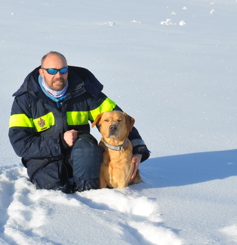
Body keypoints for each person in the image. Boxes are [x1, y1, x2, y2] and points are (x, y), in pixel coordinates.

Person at [8, 51, 150, 193]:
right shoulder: (25, 100)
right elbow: (20, 144)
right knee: (53, 188)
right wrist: (59, 142)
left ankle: (88, 196)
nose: (58, 75)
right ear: (41, 72)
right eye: (52, 71)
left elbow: (120, 121)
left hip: (81, 153)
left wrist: (138, 150)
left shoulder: (85, 91)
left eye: (63, 70)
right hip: (44, 157)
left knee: (88, 151)